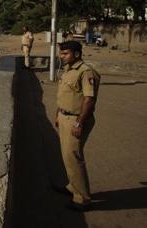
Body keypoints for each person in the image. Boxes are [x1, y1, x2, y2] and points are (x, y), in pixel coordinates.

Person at [55, 41, 100, 211]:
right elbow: (65, 95)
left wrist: (79, 122)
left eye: (65, 53)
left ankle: (82, 199)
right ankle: (72, 187)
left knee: (74, 157)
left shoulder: (85, 72)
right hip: (65, 117)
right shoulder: (69, 70)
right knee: (67, 157)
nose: (62, 56)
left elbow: (89, 100)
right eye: (61, 53)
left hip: (76, 119)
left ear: (77, 54)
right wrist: (58, 114)